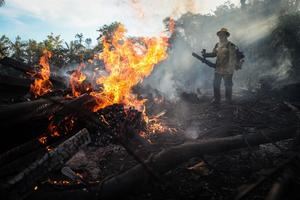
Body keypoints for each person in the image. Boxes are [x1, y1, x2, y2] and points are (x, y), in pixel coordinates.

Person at [202, 28, 242, 104]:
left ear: (226, 36)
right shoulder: (217, 45)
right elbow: (214, 54)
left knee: (228, 85)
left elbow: (232, 58)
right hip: (218, 68)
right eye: (220, 35)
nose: (220, 36)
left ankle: (228, 99)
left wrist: (230, 69)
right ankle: (217, 99)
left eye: (222, 35)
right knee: (216, 84)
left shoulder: (230, 45)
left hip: (228, 69)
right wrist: (205, 55)